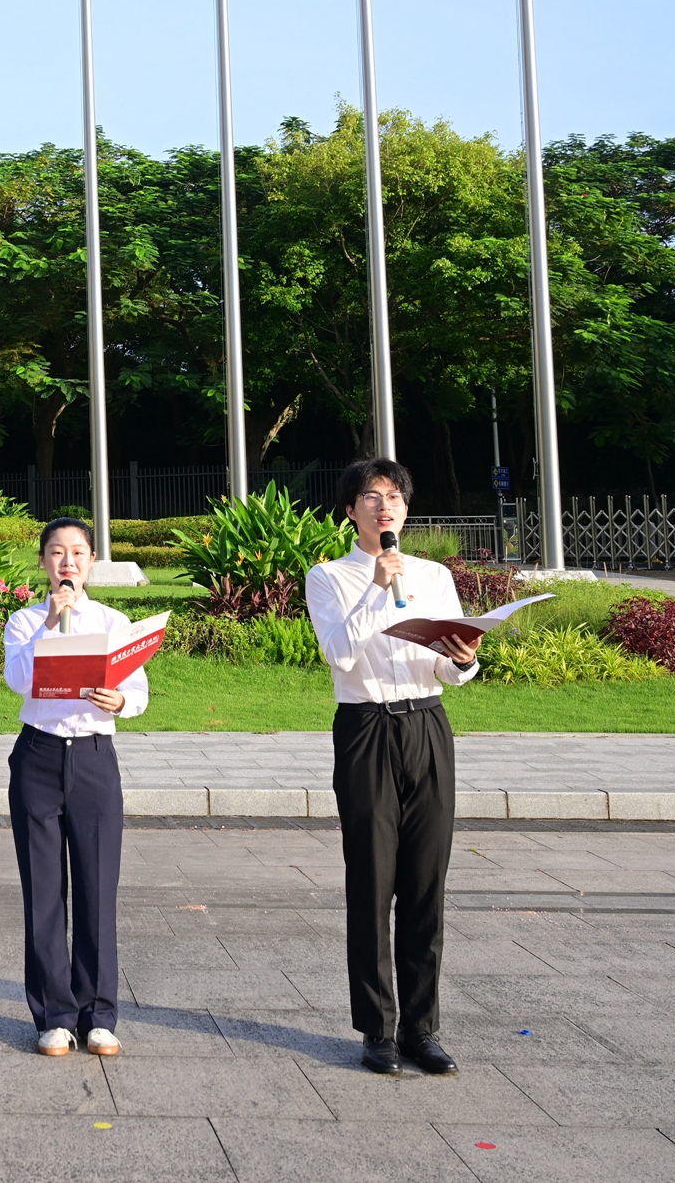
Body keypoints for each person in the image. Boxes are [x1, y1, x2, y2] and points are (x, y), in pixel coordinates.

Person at [303, 457, 479, 1077]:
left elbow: (448, 667)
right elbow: (340, 655)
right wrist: (378, 585)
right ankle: (377, 1030)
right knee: (373, 882)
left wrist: (463, 659)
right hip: (366, 729)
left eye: (395, 498)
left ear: (407, 509)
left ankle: (421, 1030)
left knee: (427, 883)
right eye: (372, 497)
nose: (386, 507)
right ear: (350, 508)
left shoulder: (432, 575)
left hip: (427, 724)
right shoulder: (328, 577)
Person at [2, 516, 149, 1058]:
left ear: (91, 562)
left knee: (96, 889)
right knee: (43, 893)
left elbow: (137, 690)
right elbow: (19, 680)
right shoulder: (22, 621)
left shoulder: (114, 620)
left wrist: (122, 702)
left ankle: (99, 1015)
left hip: (92, 759)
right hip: (38, 756)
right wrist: (49, 621)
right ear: (43, 561)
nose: (68, 562)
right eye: (57, 552)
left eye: (78, 553)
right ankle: (54, 1016)